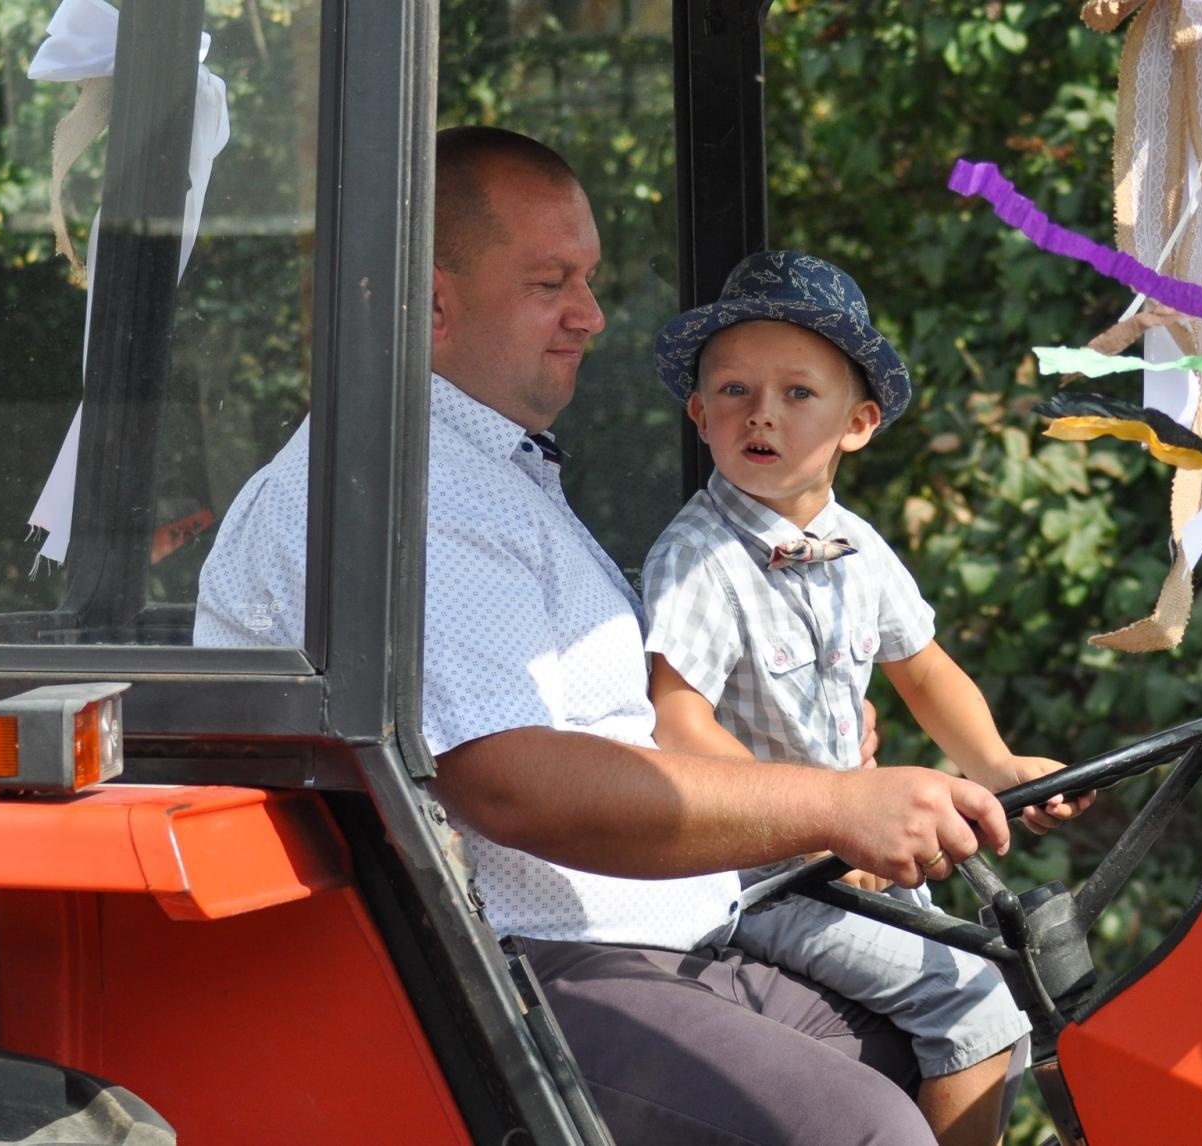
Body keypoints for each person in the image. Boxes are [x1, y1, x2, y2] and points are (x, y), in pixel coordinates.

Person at [195, 125, 1025, 1146]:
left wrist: (813, 762)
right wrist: (831, 806)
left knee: (961, 1037)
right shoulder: (395, 489)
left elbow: (624, 725)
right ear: (432, 302)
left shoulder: (496, 476)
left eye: (587, 280)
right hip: (504, 964)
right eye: (552, 283)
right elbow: (513, 782)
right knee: (864, 1133)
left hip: (658, 933)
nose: (590, 314)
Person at [641, 250, 1090, 1146]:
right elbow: (676, 721)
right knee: (978, 1005)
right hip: (765, 877)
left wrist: (998, 766)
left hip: (854, 860)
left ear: (858, 424)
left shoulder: (858, 549)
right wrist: (819, 819)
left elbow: (924, 671)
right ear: (699, 414)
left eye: (798, 393)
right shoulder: (698, 560)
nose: (761, 413)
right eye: (733, 391)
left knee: (1033, 974)